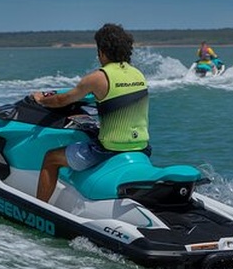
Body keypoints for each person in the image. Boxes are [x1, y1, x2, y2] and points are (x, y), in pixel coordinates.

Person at [31, 23, 150, 203]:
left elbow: (62, 100)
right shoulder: (138, 75)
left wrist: (40, 99)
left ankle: (39, 208)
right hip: (142, 146)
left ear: (102, 51)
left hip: (109, 149)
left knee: (51, 158)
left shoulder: (98, 78)